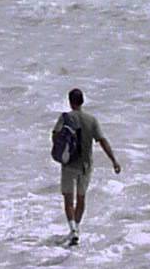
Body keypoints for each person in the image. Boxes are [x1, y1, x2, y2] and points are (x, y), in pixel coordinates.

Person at [52, 88, 121, 246]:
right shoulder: (91, 120)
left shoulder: (65, 118)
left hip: (68, 165)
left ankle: (73, 230)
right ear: (82, 101)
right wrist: (114, 161)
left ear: (70, 102)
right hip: (85, 166)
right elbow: (102, 141)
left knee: (68, 199)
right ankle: (77, 226)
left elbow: (55, 136)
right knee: (81, 198)